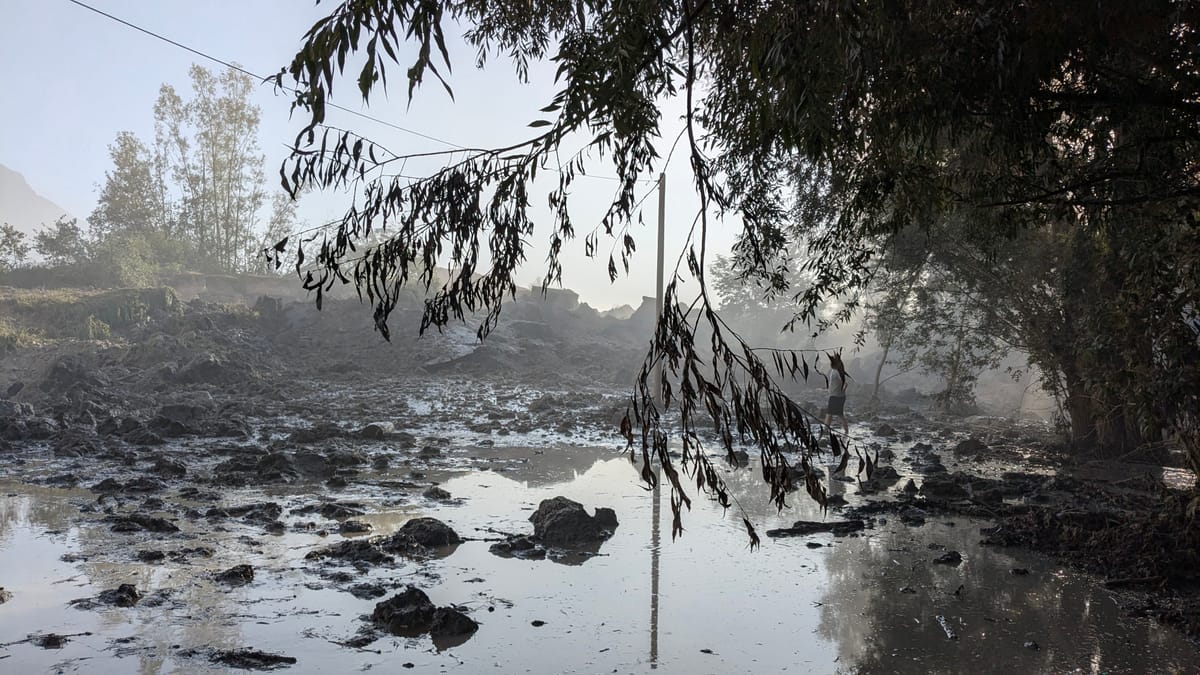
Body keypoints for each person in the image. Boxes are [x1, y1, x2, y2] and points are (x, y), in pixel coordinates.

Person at [824, 352, 850, 438]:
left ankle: (825, 431)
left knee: (829, 415)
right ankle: (847, 432)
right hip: (839, 396)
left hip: (835, 396)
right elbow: (843, 384)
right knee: (840, 414)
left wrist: (841, 390)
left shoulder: (835, 372)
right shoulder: (839, 371)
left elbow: (844, 384)